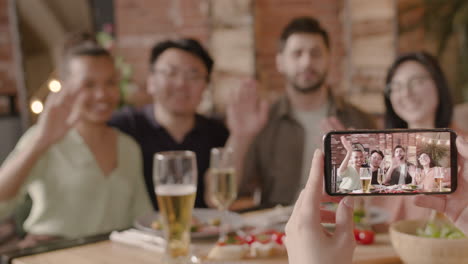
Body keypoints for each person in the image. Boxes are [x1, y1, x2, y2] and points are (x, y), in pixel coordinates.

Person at [0, 39, 152, 250]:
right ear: (65, 87)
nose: (102, 94)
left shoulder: (128, 147)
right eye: (88, 85)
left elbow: (142, 217)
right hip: (52, 254)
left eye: (110, 83)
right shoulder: (42, 138)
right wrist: (41, 142)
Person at [109, 38, 268, 209]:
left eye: (193, 76)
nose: (181, 84)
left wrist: (240, 136)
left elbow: (216, 199)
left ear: (206, 87)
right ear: (151, 82)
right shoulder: (123, 127)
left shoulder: (215, 132)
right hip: (136, 234)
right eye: (171, 73)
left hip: (202, 232)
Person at [241, 16, 375, 207]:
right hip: (278, 229)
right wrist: (240, 137)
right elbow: (237, 191)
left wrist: (350, 162)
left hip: (340, 223)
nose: (306, 63)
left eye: (316, 53)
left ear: (329, 59)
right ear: (280, 62)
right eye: (297, 54)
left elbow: (375, 196)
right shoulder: (264, 120)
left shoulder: (359, 121)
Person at [285, 136, 468, 264]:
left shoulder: (413, 167)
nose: (398, 156)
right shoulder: (370, 169)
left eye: (400, 153)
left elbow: (416, 181)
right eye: (396, 154)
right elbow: (383, 184)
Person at [371, 51, 461, 222]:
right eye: (396, 86)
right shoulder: (386, 151)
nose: (406, 93)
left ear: (438, 85)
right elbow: (377, 219)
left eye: (417, 82)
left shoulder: (463, 146)